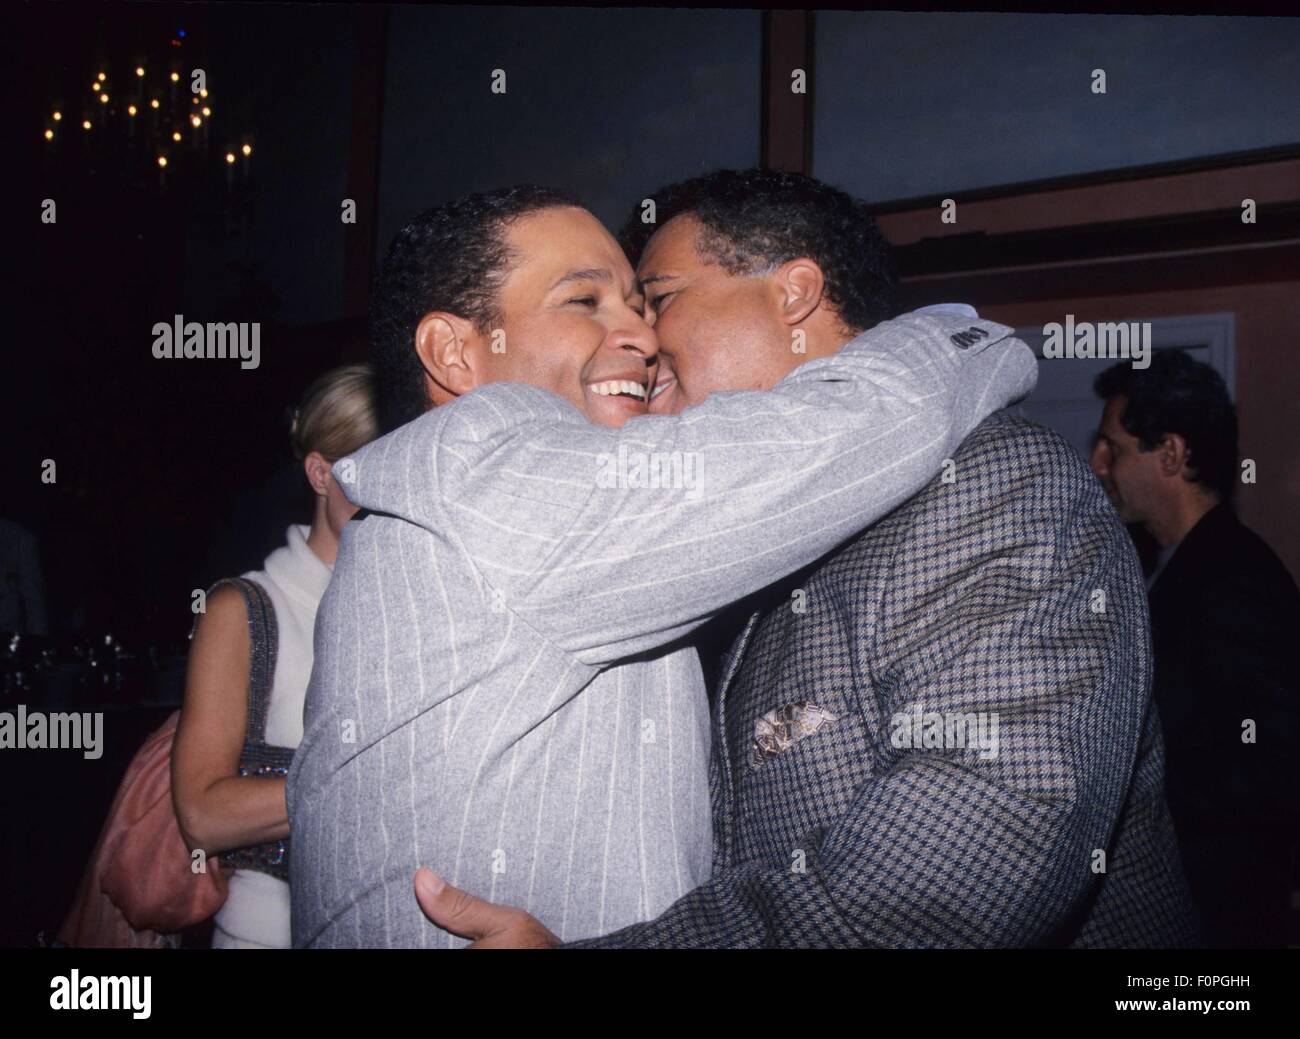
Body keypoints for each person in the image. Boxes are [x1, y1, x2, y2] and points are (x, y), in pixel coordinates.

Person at [412, 169, 1200, 948]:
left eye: (659, 298)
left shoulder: (995, 484)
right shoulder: (742, 536)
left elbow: (965, 868)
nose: (641, 339)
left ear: (793, 295)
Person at [285, 184, 1036, 947]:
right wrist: (961, 333)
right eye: (585, 301)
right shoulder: (478, 461)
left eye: (643, 304)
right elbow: (840, 435)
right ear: (455, 352)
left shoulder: (504, 520)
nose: (642, 335)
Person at [1090, 350, 1299, 947]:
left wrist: (1132, 789)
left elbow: (1274, 764)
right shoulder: (1165, 566)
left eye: (1114, 448)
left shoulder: (1236, 579)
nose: (1096, 463)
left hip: (1217, 918)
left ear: (1172, 455)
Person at [171, 363, 379, 948]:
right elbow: (202, 815)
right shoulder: (244, 610)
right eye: (373, 471)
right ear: (320, 472)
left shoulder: (419, 605)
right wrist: (372, 779)